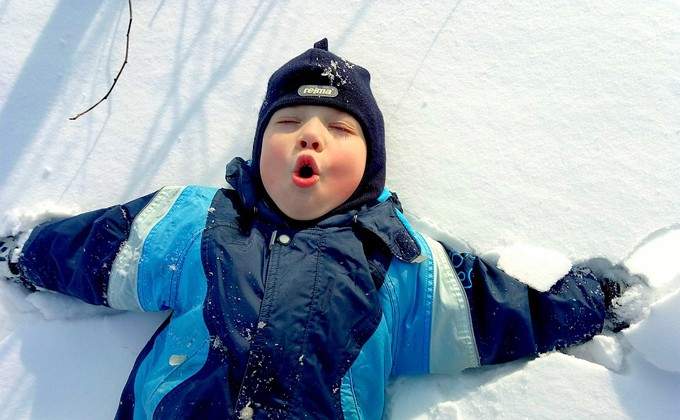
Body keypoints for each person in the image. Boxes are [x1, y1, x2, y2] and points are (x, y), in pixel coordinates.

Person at [0, 38, 632, 419]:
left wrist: (589, 303)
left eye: (339, 128)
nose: (310, 135)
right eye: (288, 122)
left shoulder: (402, 264)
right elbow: (101, 249)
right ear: (259, 149)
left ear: (370, 166)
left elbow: (496, 316)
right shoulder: (199, 223)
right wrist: (26, 254)